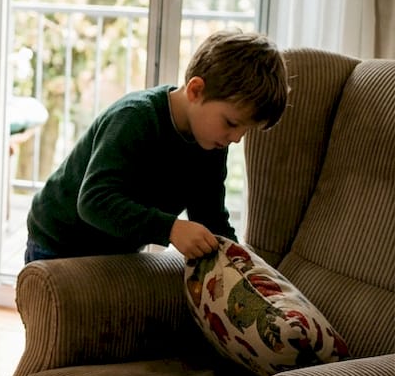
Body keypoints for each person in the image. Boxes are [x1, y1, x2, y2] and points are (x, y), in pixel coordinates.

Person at [24, 29, 288, 264]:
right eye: (231, 123)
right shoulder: (135, 118)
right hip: (59, 241)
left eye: (246, 130)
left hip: (114, 249)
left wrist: (241, 263)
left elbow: (211, 217)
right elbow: (94, 201)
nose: (236, 138)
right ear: (196, 90)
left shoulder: (212, 143)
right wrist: (171, 228)